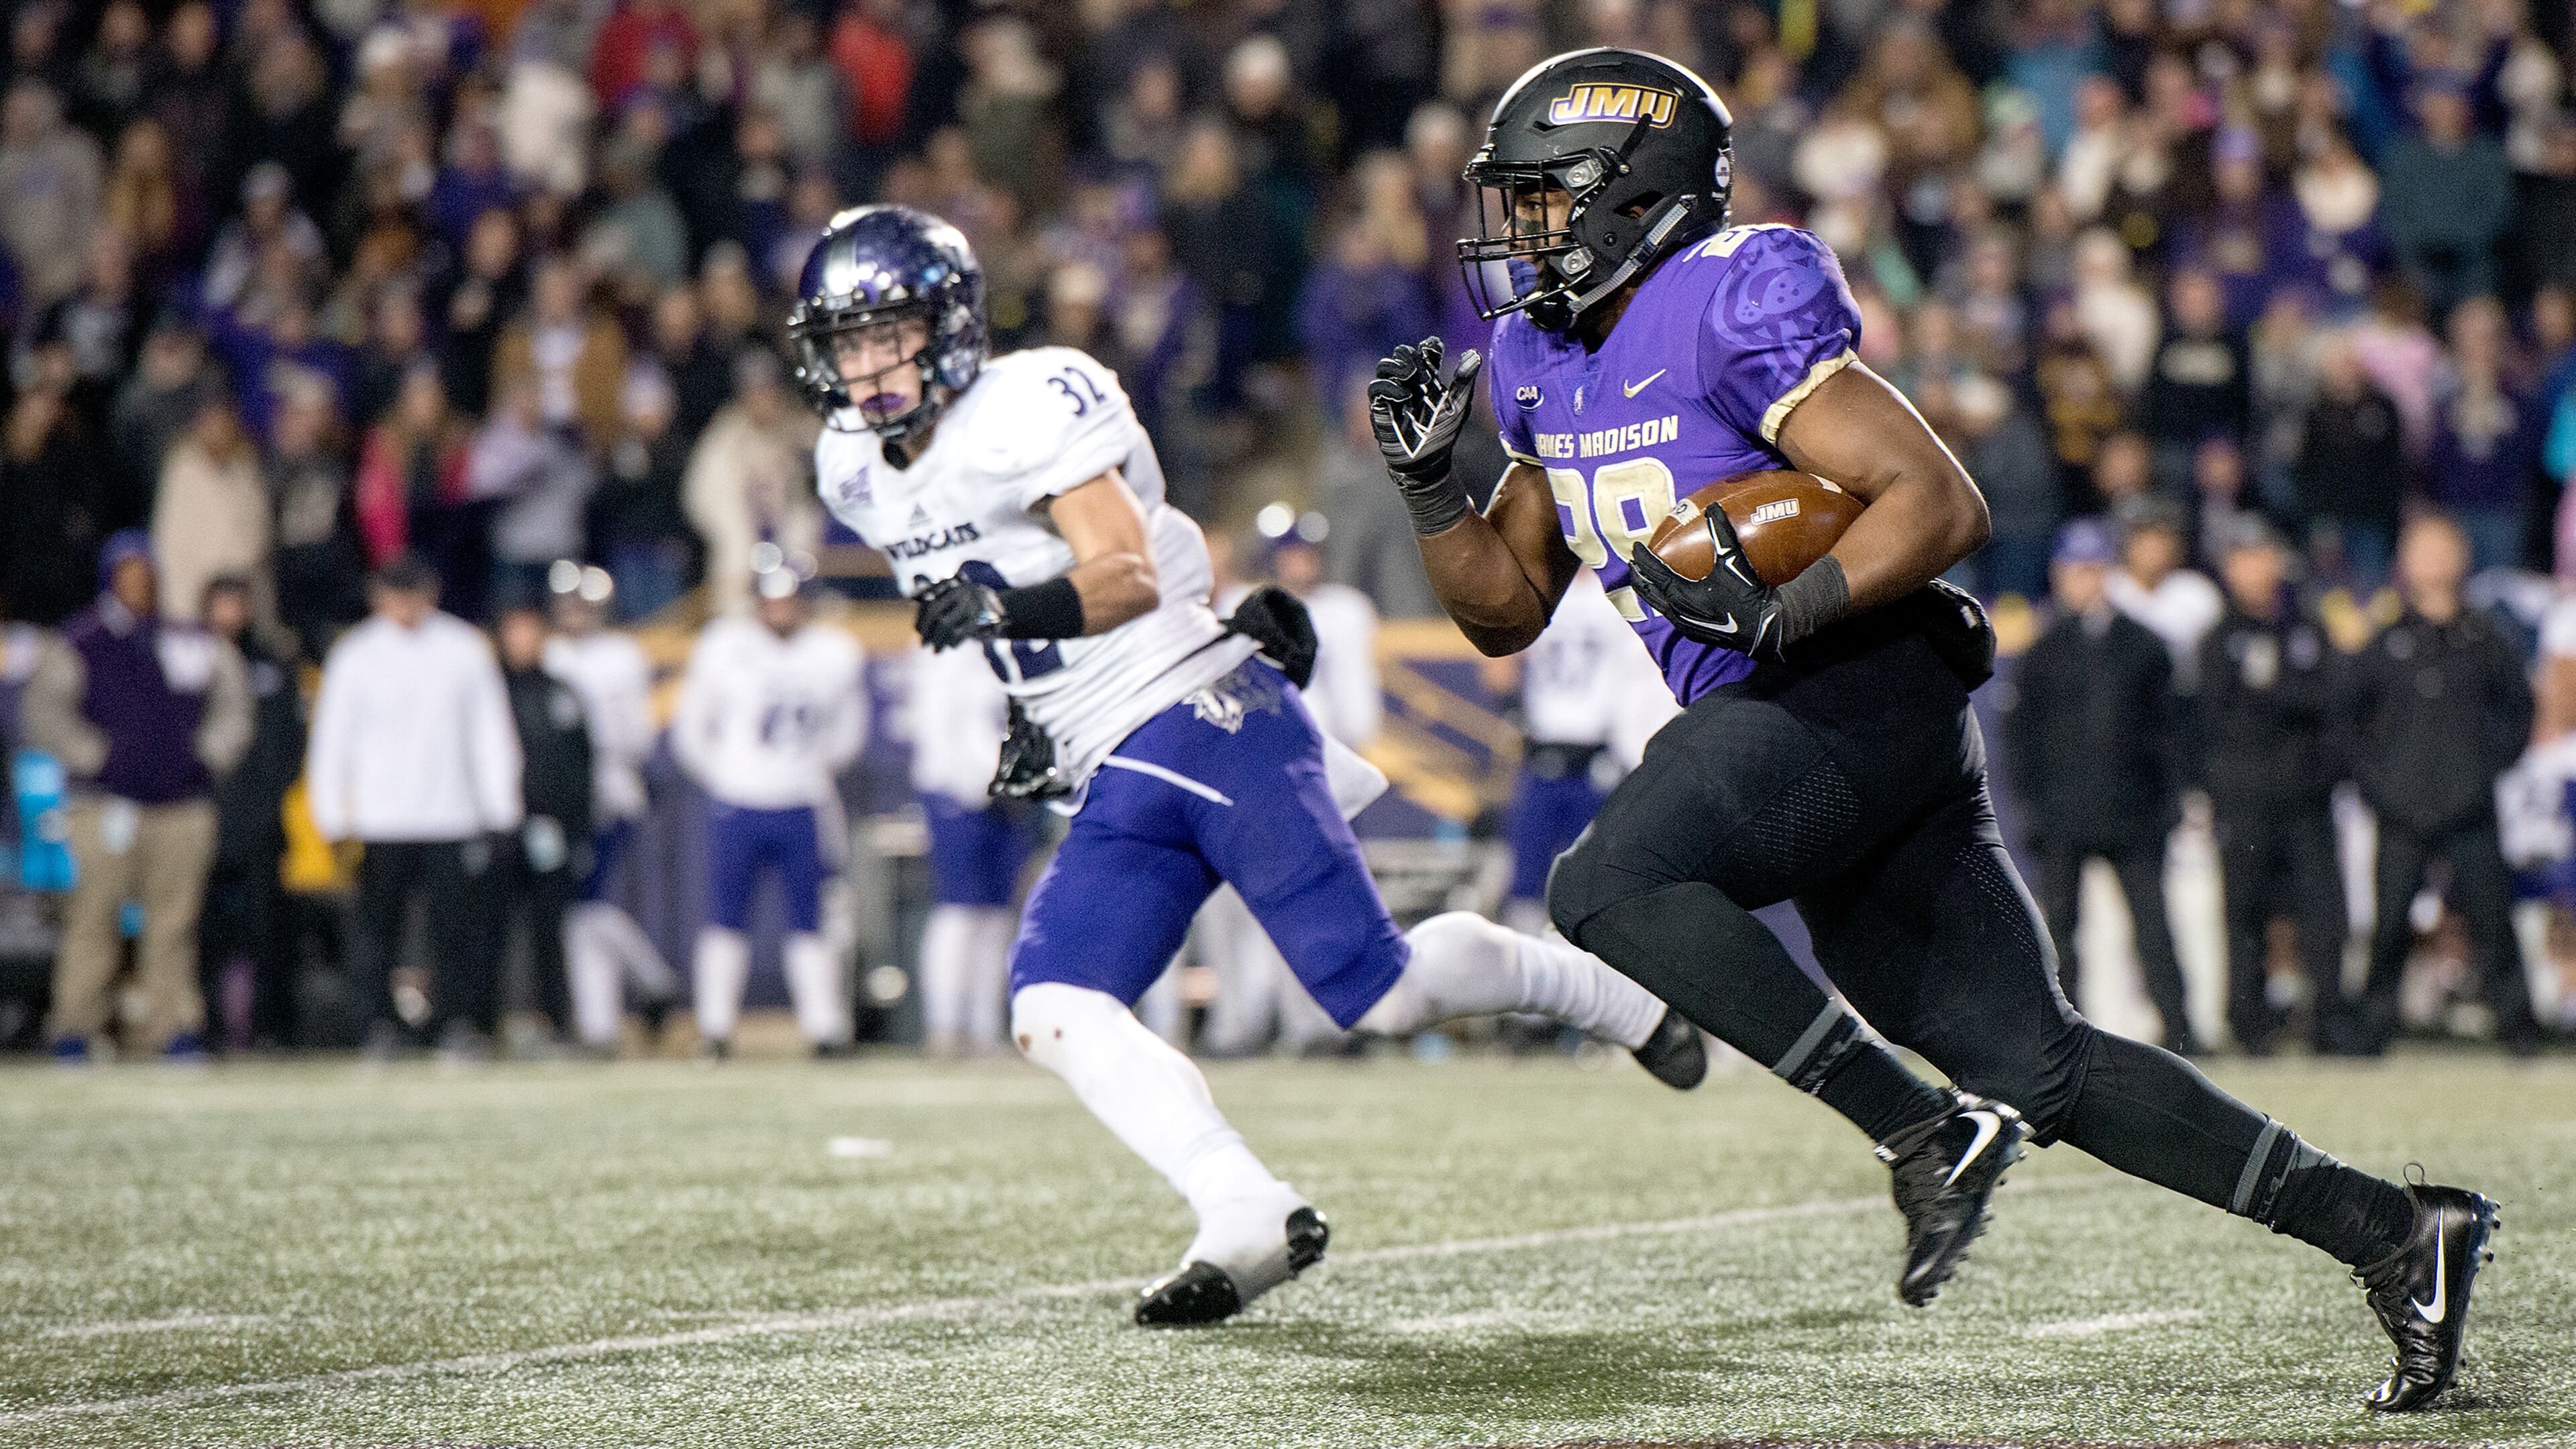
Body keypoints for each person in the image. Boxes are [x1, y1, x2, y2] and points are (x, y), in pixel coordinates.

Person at [1374, 46, 2496, 1411]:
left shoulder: (1726, 299)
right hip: (1791, 720)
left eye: (1545, 202)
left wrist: (1792, 611)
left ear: (1632, 197)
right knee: (2041, 1064)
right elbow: (1504, 612)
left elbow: (1939, 498)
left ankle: (1918, 1132)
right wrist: (1437, 490)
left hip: (1852, 683)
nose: (1520, 234)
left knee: (1609, 884)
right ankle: (2398, 1234)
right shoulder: (1539, 356)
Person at [795, 203, 1698, 1326]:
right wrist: (1035, 708)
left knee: (1374, 993)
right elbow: (996, 585)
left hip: (1196, 708)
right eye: (851, 342)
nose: (872, 365)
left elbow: (1119, 572)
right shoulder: (853, 469)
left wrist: (1007, 611)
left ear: (952, 327)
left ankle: (1599, 992)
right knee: (1056, 1004)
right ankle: (1242, 1205)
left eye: (891, 334)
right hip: (1114, 749)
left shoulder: (1025, 405)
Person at [19, 533, 248, 1060]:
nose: (140, 584)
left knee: (173, 923)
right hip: (104, 804)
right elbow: (44, 713)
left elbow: (232, 704)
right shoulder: (82, 640)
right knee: (92, 919)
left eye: (146, 573)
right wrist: (95, 756)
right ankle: (76, 1027)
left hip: (181, 802)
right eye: (129, 573)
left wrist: (208, 756)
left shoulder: (187, 637)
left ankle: (172, 1029)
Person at [307, 555, 524, 1061]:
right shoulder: (356, 654)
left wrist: (500, 807)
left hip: (451, 813)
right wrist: (333, 815)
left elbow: (490, 733)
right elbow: (332, 740)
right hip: (381, 818)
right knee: (376, 934)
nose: (405, 605)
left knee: (454, 933)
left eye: (413, 592)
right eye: (394, 593)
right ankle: (377, 1026)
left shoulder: (464, 648)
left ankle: (454, 1025)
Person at [2345, 515, 2542, 1057]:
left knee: (2492, 922)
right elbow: (2351, 718)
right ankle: (2371, 1030)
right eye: (2422, 551)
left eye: (2442, 550)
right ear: (2404, 563)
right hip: (2401, 809)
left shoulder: (2485, 638)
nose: (2433, 562)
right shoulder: (2387, 641)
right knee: (2388, 927)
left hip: (2470, 808)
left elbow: (2518, 711)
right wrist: (2378, 783)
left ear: (2462, 558)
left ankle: (2519, 1028)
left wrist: (2485, 770)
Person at [2003, 519, 2199, 1051]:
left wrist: (2170, 800)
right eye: (2075, 570)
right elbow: (2023, 740)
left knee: (2153, 927)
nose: (2084, 581)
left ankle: (2180, 1031)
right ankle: (2069, 1034)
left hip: (2133, 809)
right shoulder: (2043, 651)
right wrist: (2031, 808)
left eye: (2093, 569)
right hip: (2064, 811)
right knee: (2062, 929)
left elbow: (2170, 732)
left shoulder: (2144, 645)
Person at [669, 568, 866, 1058]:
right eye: (772, 601)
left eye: (789, 600)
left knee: (812, 919)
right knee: (724, 917)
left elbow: (849, 732)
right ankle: (714, 1030)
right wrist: (727, 775)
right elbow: (691, 727)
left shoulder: (834, 651)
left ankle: (824, 1028)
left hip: (803, 801)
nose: (780, 610)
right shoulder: (723, 645)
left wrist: (809, 771)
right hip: (739, 801)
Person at [2193, 520, 2349, 1055]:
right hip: (2246, 798)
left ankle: (2328, 1022)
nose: (2257, 569)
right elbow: (2210, 721)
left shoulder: (2306, 628)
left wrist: (2274, 699)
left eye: (2264, 555)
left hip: (2306, 797)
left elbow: (2332, 705)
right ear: (2229, 568)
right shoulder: (2218, 638)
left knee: (2323, 912)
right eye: (2245, 557)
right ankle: (2249, 1023)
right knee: (2244, 912)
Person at [1495, 569, 1672, 939]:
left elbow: (1498, 664)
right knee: (1532, 887)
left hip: (1593, 756)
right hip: (1556, 755)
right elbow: (1499, 665)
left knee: (1591, 885)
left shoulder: (1540, 589)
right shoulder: (1610, 593)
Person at [543, 568, 677, 1052]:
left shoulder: (621, 656)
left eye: (582, 603)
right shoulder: (549, 654)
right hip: (551, 796)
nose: (574, 612)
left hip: (606, 790)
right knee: (579, 910)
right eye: (567, 603)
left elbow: (635, 738)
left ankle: (601, 1025)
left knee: (585, 910)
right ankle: (651, 983)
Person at [907, 637, 1034, 1056]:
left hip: (1004, 797)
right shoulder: (949, 649)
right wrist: (978, 780)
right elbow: (939, 728)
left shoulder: (1018, 642)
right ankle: (944, 1023)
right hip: (958, 792)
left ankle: (984, 1024)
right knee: (958, 909)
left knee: (997, 916)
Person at [198, 574, 305, 1051]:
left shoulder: (273, 662)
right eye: (223, 605)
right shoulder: (187, 659)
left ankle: (271, 1027)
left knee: (269, 929)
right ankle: (208, 1027)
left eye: (239, 604)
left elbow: (290, 739)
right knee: (204, 930)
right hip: (203, 812)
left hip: (261, 814)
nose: (231, 614)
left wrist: (270, 797)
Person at [496, 601, 592, 1048]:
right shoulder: (486, 691)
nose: (523, 641)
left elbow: (581, 765)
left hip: (550, 828)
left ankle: (555, 1022)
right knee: (488, 929)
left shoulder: (561, 691)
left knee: (549, 931)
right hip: (495, 827)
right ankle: (483, 1022)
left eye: (530, 631)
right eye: (515, 631)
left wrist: (576, 828)